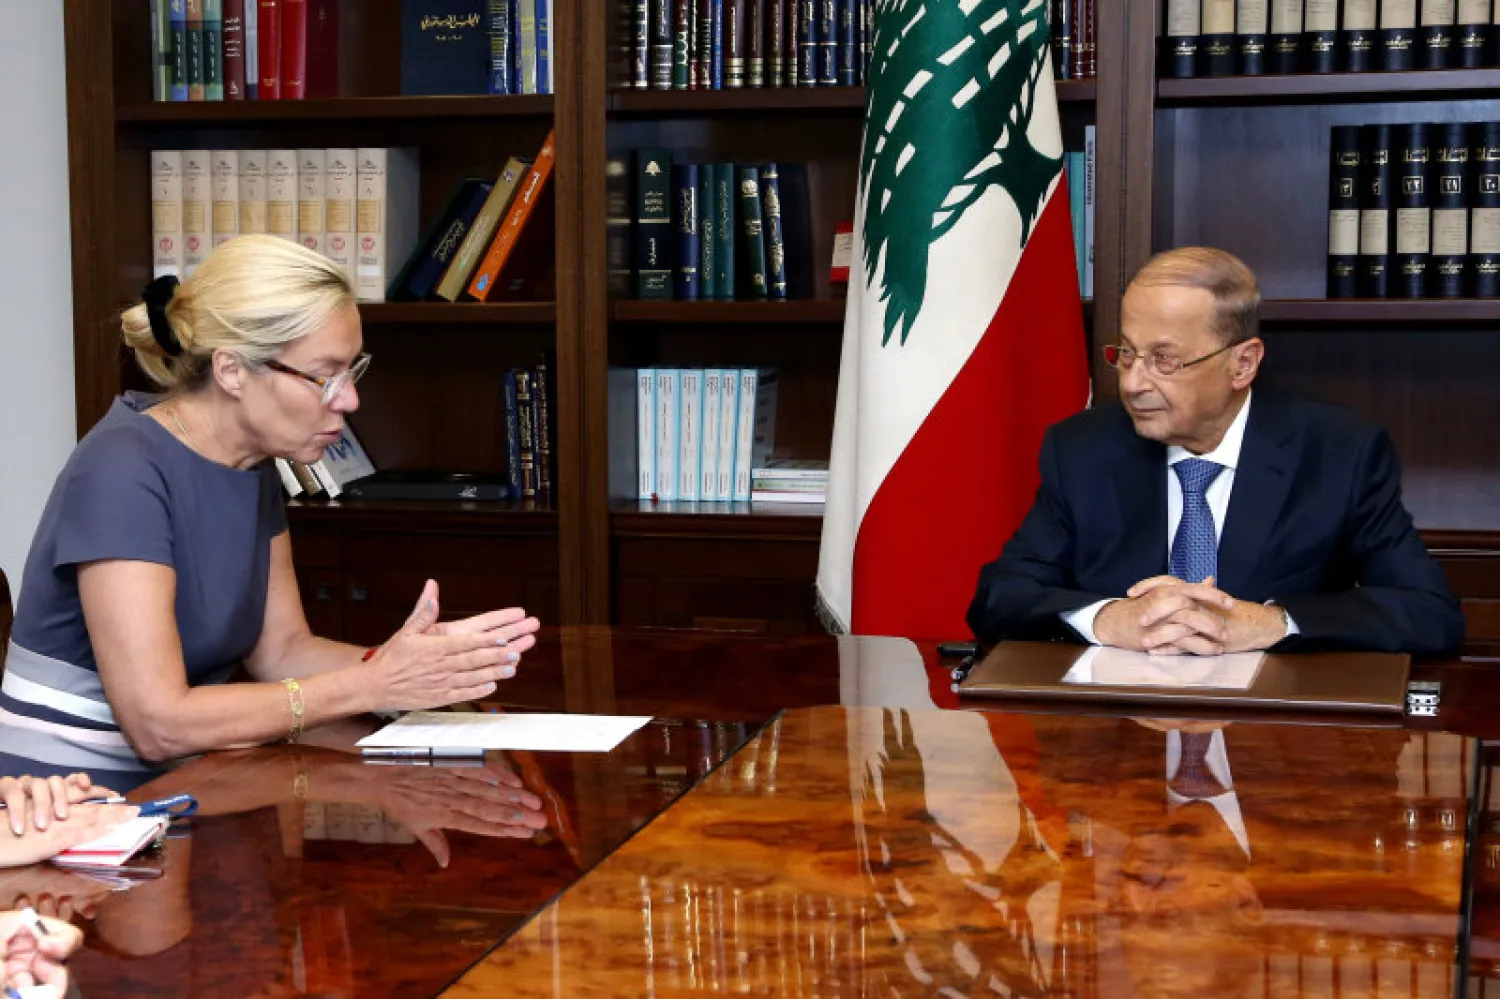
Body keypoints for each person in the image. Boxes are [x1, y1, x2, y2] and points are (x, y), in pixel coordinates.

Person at [2, 235, 541, 784]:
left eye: (353, 370)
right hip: (71, 806)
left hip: (187, 783)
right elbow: (157, 722)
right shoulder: (120, 471)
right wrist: (373, 682)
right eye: (324, 375)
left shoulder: (251, 464)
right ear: (231, 370)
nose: (349, 400)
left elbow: (282, 652)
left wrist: (418, 664)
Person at [966, 246, 1465, 657]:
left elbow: (1429, 615)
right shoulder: (1083, 449)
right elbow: (998, 598)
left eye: (1164, 359)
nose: (1135, 383)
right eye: (1127, 353)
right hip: (1114, 734)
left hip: (1274, 746)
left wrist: (1272, 622)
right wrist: (1108, 618)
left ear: (1243, 364)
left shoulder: (1339, 453)